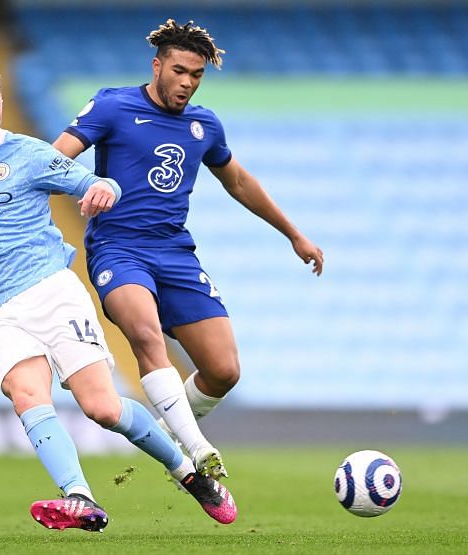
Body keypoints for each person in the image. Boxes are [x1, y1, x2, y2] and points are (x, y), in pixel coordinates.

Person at [0, 64, 237, 531]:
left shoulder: (30, 154)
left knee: (102, 408)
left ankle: (188, 473)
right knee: (25, 395)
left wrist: (105, 188)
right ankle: (80, 497)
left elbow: (96, 182)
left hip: (53, 294)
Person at [53, 20, 324, 481]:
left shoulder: (205, 125)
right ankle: (197, 452)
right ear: (157, 65)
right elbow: (55, 158)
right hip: (119, 250)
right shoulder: (113, 104)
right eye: (179, 70)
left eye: (196, 74)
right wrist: (91, 182)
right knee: (145, 335)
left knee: (223, 370)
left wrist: (293, 234)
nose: (187, 83)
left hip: (176, 255)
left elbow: (237, 181)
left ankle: (167, 431)